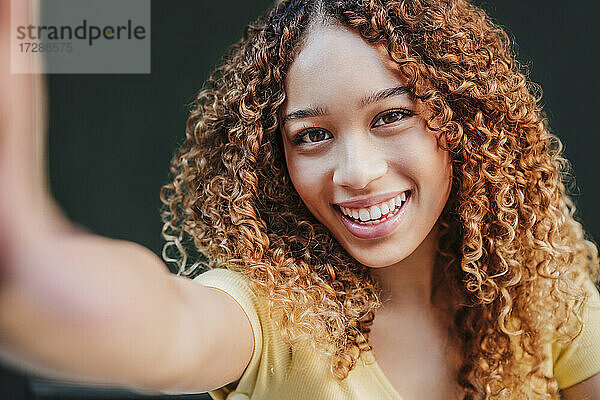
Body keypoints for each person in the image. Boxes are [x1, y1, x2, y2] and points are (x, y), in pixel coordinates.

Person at [1, 0, 599, 399]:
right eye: (312, 135)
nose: (357, 173)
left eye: (392, 116)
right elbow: (170, 325)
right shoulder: (268, 319)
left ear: (467, 123)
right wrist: (28, 259)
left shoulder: (543, 287)